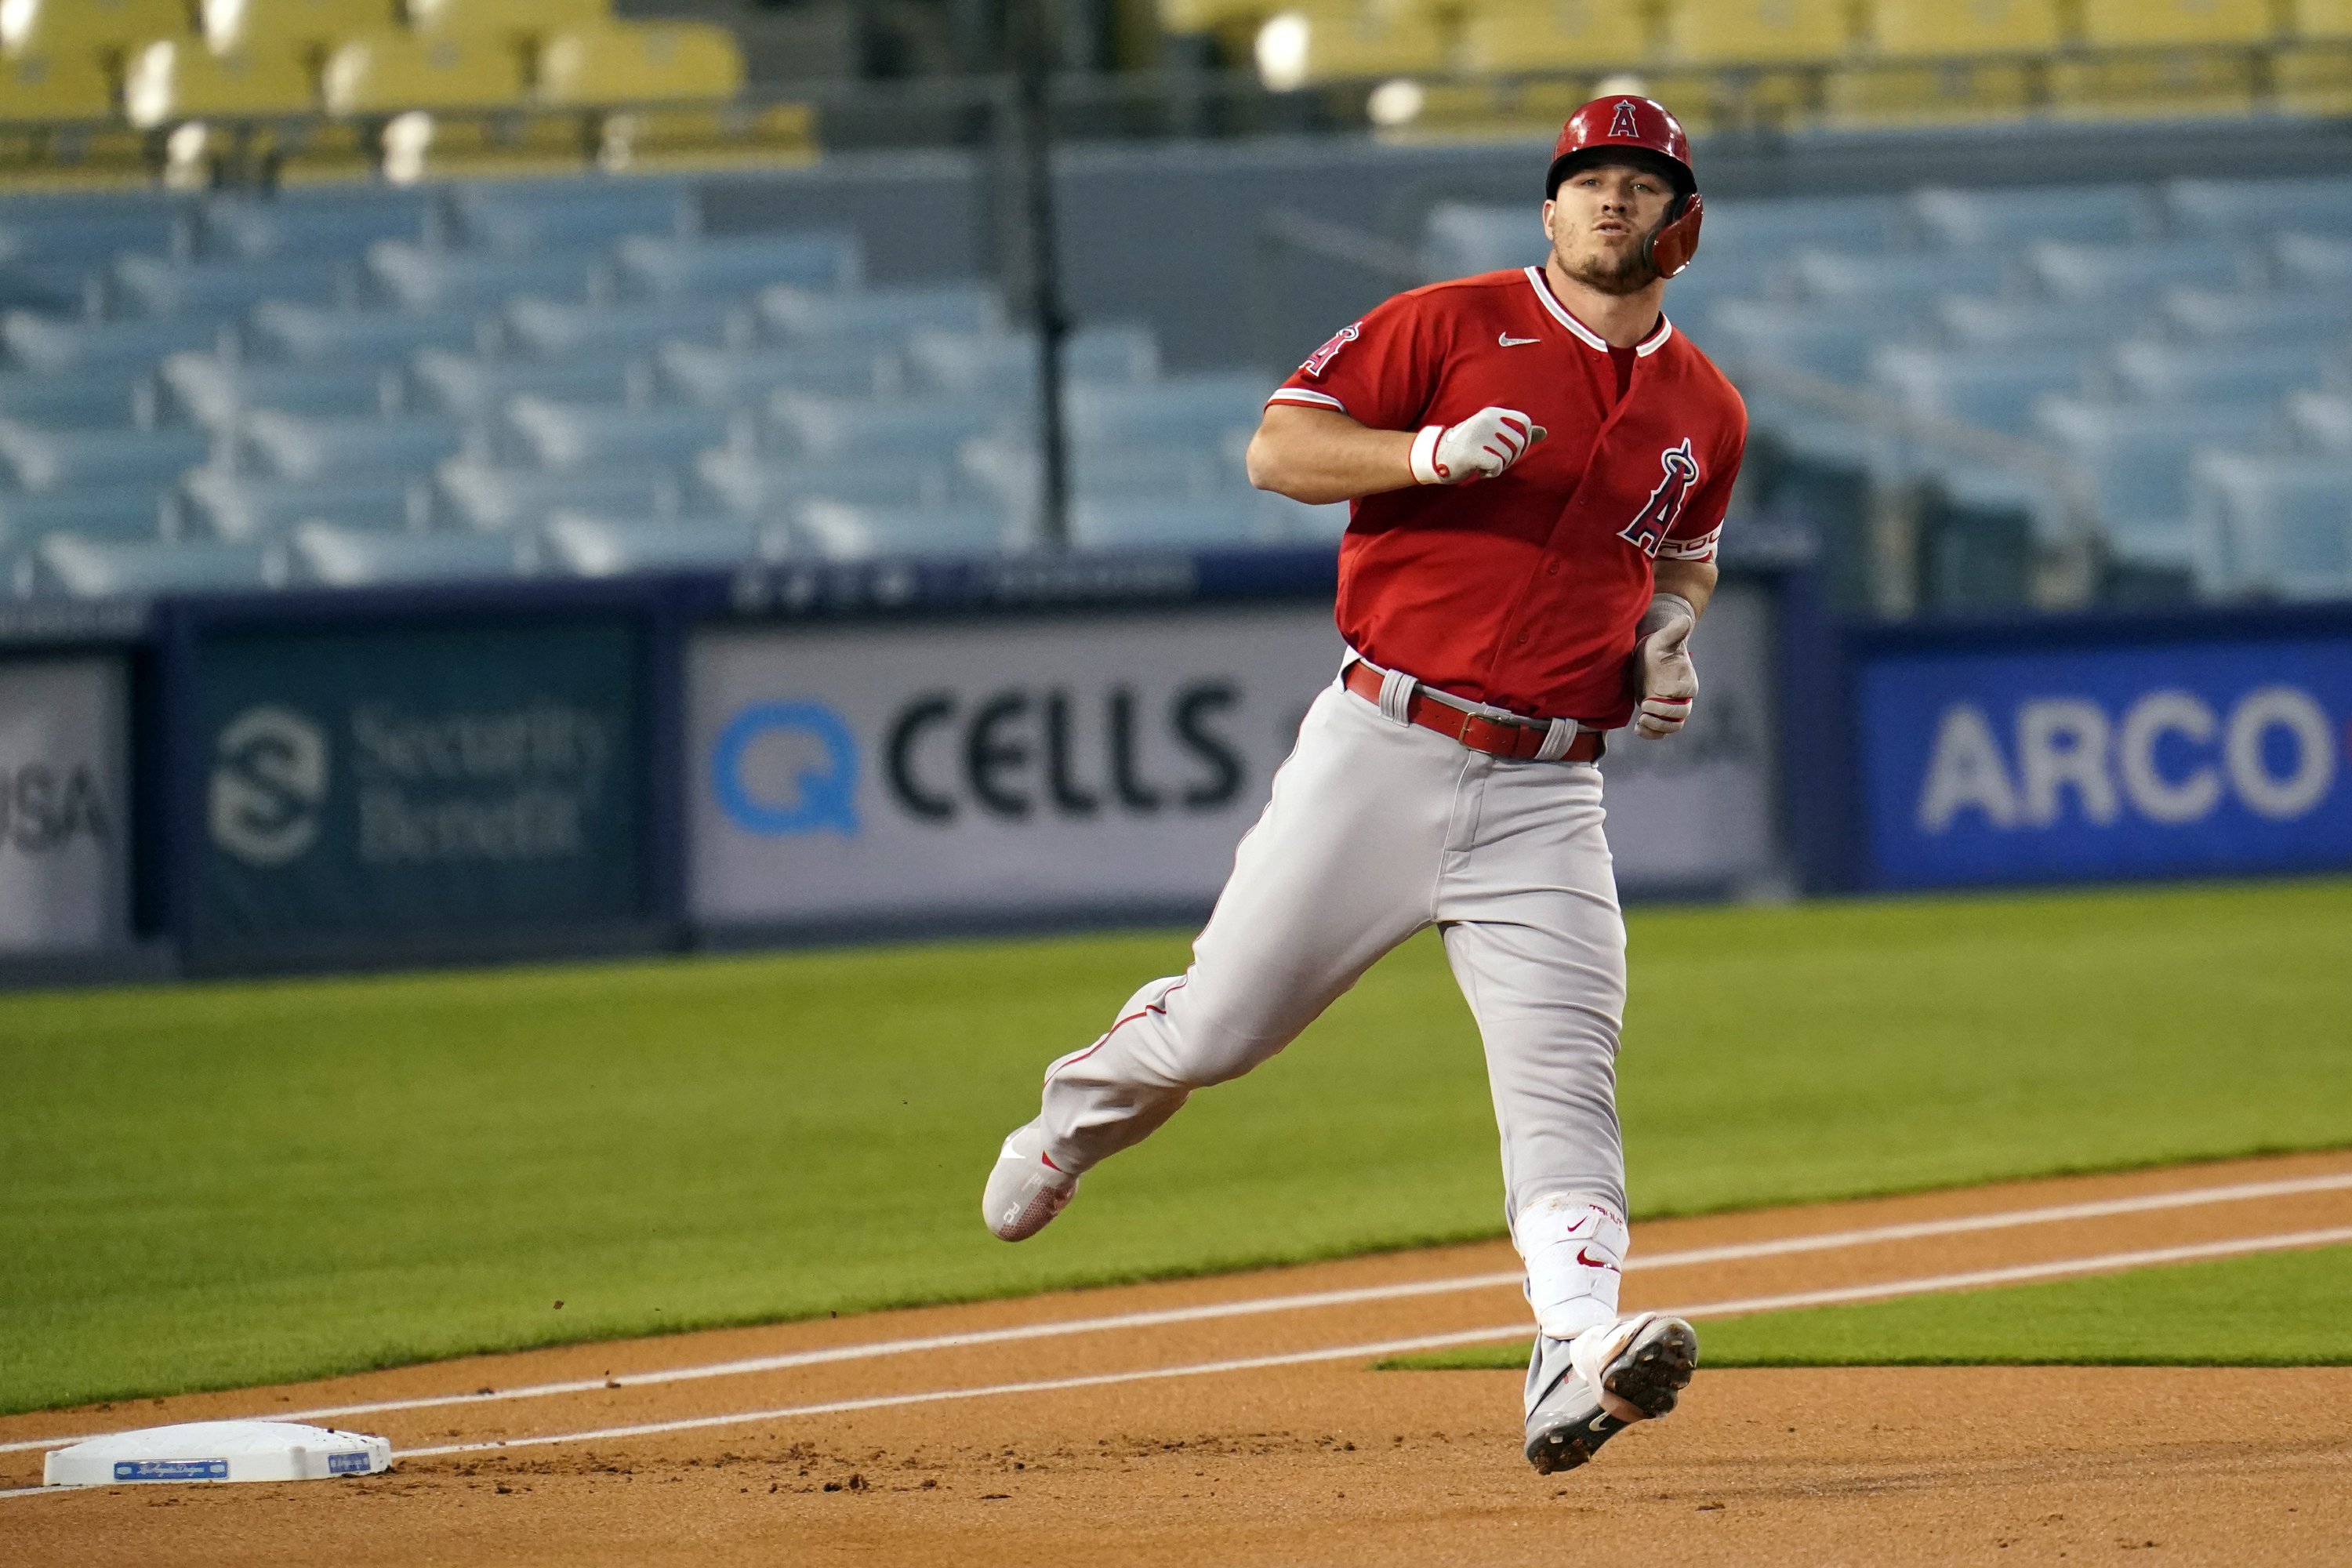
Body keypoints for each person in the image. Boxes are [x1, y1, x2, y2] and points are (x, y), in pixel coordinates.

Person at [980, 94, 1747, 1475]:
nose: (1611, 199)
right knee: (1217, 1036)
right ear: (1550, 207)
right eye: (1587, 178)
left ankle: (1578, 1350)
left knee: (1564, 1080)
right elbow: (1278, 447)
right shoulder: (1446, 324)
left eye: (1642, 181)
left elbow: (1681, 556)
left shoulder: (1708, 408)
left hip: (1549, 791)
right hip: (1383, 747)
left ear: (1682, 227)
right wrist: (1420, 458)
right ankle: (1076, 1109)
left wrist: (1669, 634)